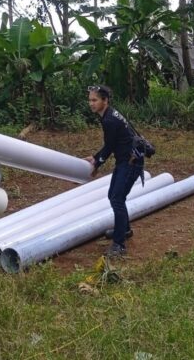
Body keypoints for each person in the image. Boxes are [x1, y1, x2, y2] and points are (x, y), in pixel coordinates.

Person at [83, 84, 144, 258]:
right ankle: (124, 230)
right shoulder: (109, 115)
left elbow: (109, 146)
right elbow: (110, 144)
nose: (91, 103)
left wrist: (96, 164)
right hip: (126, 160)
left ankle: (119, 245)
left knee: (117, 199)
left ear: (105, 101)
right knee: (114, 196)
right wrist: (96, 158)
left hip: (131, 162)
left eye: (95, 100)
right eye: (90, 100)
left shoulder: (109, 120)